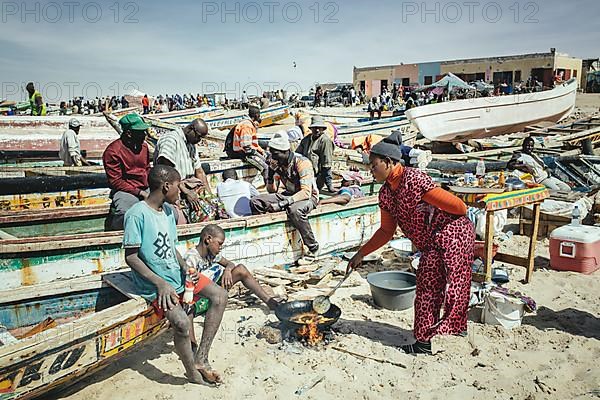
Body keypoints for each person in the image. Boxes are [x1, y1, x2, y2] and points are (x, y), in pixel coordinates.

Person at [347, 130, 474, 355]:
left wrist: (431, 212)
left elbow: (460, 208)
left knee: (453, 286)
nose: (371, 170)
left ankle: (450, 331)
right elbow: (386, 231)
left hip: (453, 234)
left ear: (388, 162)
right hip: (431, 244)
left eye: (374, 165)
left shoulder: (414, 179)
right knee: (429, 288)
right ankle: (427, 339)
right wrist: (361, 253)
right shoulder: (386, 193)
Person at [124, 165, 227, 385]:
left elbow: (171, 249)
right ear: (166, 186)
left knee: (219, 296)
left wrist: (185, 268)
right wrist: (160, 283)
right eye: (178, 186)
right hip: (153, 284)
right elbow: (131, 258)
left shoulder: (170, 212)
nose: (180, 191)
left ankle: (201, 358)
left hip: (176, 275)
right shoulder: (136, 214)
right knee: (180, 322)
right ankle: (191, 373)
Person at [250, 132, 320, 263]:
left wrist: (282, 204)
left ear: (285, 152)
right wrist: (270, 175)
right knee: (256, 202)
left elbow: (306, 192)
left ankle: (312, 247)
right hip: (289, 194)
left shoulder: (302, 163)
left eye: (275, 154)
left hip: (308, 197)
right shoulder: (276, 162)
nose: (273, 157)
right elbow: (272, 190)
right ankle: (265, 237)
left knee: (295, 210)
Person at [184, 224, 280, 311]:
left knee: (241, 269)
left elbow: (230, 263)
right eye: (219, 244)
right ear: (208, 239)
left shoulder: (212, 254)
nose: (220, 248)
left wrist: (228, 270)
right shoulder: (191, 258)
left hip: (213, 290)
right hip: (198, 298)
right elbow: (187, 285)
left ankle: (269, 301)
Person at [154, 118, 220, 223]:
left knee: (216, 207)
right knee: (192, 216)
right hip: (173, 189)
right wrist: (186, 191)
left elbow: (200, 172)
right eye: (198, 136)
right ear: (190, 129)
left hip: (190, 186)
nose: (199, 140)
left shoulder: (191, 145)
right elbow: (166, 172)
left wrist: (209, 195)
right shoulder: (171, 140)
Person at [103, 114, 151, 231]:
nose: (144, 135)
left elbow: (147, 169)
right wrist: (140, 193)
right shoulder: (113, 152)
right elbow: (116, 181)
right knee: (126, 213)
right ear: (129, 133)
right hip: (125, 190)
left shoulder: (144, 147)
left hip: (146, 187)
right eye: (140, 132)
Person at [225, 106, 269, 182]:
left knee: (267, 160)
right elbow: (246, 147)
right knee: (266, 167)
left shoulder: (247, 124)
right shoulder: (247, 126)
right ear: (256, 115)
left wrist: (262, 151)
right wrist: (258, 155)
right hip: (241, 153)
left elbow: (253, 144)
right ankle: (269, 186)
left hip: (244, 152)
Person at [297, 116, 335, 192]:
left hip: (317, 176)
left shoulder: (325, 141)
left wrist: (329, 185)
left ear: (323, 129)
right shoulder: (306, 139)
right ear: (311, 129)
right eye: (315, 128)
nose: (317, 130)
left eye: (319, 128)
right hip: (304, 173)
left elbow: (326, 165)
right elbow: (297, 154)